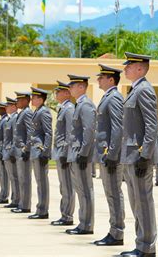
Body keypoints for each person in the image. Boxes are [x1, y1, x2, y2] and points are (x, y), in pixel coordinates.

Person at [120, 52, 158, 257]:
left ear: (140, 69)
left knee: (143, 202)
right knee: (136, 203)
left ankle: (147, 247)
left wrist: (145, 155)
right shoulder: (134, 90)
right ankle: (141, 244)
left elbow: (152, 125)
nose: (125, 68)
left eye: (129, 65)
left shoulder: (144, 90)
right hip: (131, 155)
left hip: (139, 157)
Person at [93, 64, 126, 246]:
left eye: (101, 77)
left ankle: (117, 233)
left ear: (111, 79)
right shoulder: (108, 97)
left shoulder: (113, 98)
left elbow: (117, 128)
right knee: (110, 193)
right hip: (107, 154)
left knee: (114, 193)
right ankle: (114, 230)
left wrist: (113, 154)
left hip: (112, 155)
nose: (98, 80)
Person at [65, 74, 96, 235]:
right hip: (75, 153)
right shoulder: (79, 104)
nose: (70, 88)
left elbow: (88, 131)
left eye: (73, 85)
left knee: (85, 190)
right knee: (80, 190)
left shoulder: (86, 105)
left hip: (80, 155)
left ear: (82, 87)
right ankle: (83, 222)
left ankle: (86, 224)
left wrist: (84, 153)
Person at [51, 81, 76, 226]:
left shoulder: (69, 109)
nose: (56, 94)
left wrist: (67, 154)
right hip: (60, 152)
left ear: (66, 93)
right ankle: (64, 214)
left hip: (64, 153)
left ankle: (68, 216)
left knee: (67, 186)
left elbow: (69, 134)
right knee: (63, 186)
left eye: (59, 91)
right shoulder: (63, 108)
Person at [28, 87, 53, 219]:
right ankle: (40, 208)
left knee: (42, 182)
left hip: (40, 151)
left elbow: (48, 133)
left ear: (40, 99)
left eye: (34, 97)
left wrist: (46, 151)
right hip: (35, 150)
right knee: (39, 181)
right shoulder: (37, 111)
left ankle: (43, 210)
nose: (32, 99)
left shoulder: (44, 112)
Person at [12, 91, 34, 213]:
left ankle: (25, 205)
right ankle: (22, 203)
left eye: (19, 100)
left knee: (25, 179)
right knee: (21, 178)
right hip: (19, 150)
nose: (17, 102)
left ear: (26, 100)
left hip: (24, 151)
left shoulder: (27, 113)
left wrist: (27, 149)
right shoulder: (23, 113)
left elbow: (30, 132)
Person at [3, 97, 21, 209]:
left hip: (13, 152)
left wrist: (13, 152)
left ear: (14, 107)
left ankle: (17, 200)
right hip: (8, 151)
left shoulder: (15, 118)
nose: (6, 108)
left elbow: (16, 137)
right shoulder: (10, 119)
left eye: (8, 105)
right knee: (12, 177)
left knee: (15, 177)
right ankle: (15, 199)